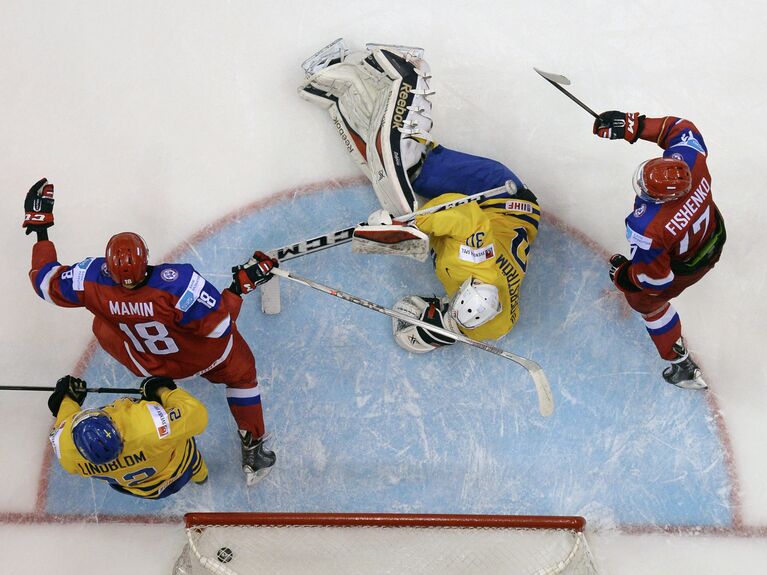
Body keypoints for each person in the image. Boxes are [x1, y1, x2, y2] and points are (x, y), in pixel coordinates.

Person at [24, 178, 278, 485]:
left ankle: (161, 386)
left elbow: (46, 284)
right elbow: (220, 326)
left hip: (149, 363)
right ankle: (254, 450)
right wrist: (239, 287)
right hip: (205, 357)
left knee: (100, 324)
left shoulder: (92, 279)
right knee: (242, 376)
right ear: (146, 258)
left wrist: (41, 228)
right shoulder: (176, 282)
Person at [299, 40, 540, 351]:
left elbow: (492, 325)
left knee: (382, 170)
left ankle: (342, 86)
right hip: (497, 195)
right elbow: (467, 219)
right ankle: (409, 76)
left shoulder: (487, 327)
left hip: (512, 219)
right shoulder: (466, 267)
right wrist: (411, 226)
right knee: (409, 167)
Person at [592, 111, 726, 389]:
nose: (641, 187)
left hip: (690, 265)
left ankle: (682, 366)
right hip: (712, 234)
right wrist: (634, 125)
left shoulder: (649, 228)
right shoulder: (692, 162)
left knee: (643, 302)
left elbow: (654, 282)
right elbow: (681, 128)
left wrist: (624, 276)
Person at [48, 374, 207, 499]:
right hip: (179, 467)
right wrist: (161, 390)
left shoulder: (68, 452)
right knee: (192, 459)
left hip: (141, 490)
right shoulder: (150, 426)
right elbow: (197, 415)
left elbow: (63, 422)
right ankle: (201, 476)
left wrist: (65, 399)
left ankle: (200, 477)